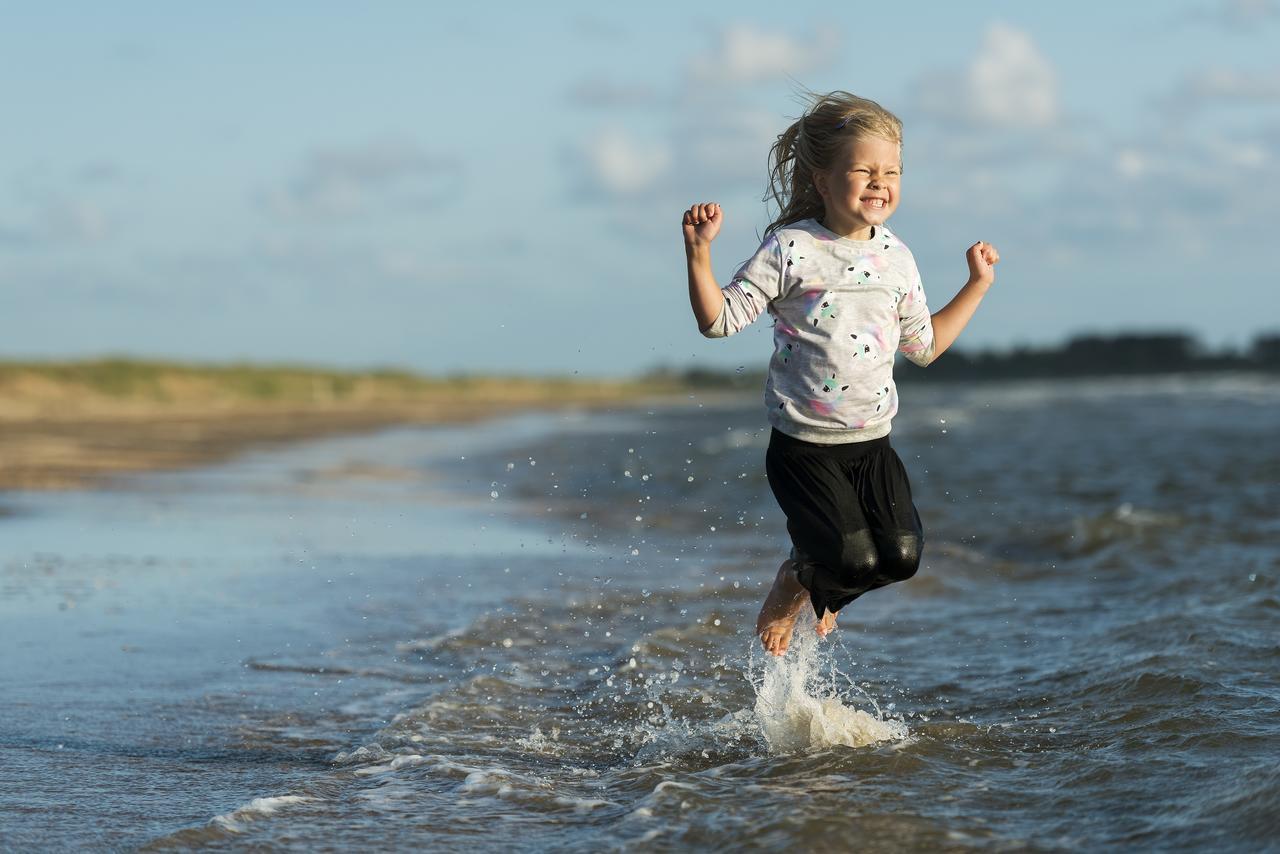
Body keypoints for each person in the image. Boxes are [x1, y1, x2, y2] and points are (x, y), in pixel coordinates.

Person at [680, 91, 1000, 656]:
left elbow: (923, 347)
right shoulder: (790, 248)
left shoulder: (898, 258)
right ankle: (797, 581)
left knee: (900, 559)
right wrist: (699, 256)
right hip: (804, 447)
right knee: (851, 559)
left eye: (892, 172)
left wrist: (975, 285)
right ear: (823, 181)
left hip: (872, 444)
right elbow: (719, 321)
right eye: (864, 171)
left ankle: (819, 582)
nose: (880, 183)